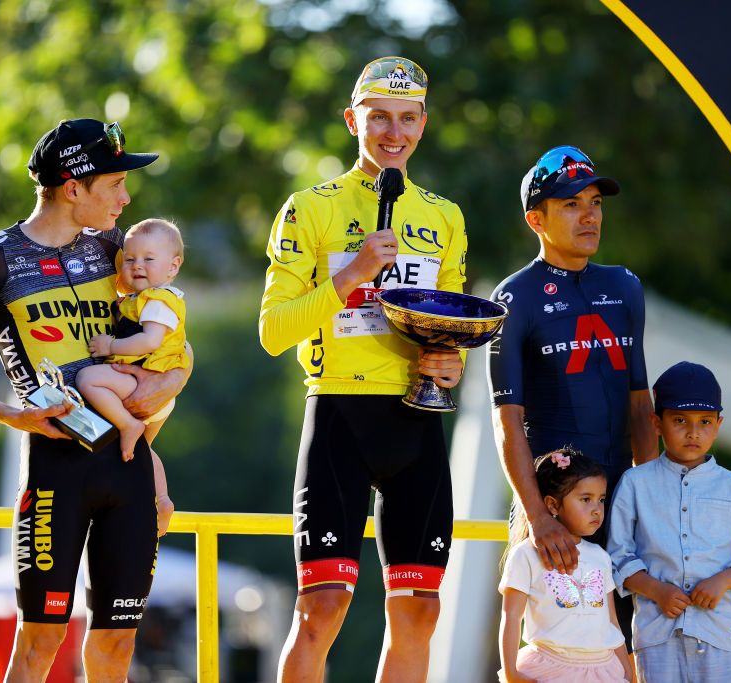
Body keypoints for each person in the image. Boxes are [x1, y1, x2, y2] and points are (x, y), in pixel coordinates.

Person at [0, 119, 190, 682]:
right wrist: (10, 414)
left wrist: (170, 381)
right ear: (74, 188)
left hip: (127, 465)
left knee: (116, 646)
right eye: (114, 184)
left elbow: (172, 339)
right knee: (40, 641)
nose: (126, 197)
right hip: (54, 469)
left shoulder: (120, 250)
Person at [259, 56, 467, 683]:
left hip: (416, 420)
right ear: (353, 121)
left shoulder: (445, 217)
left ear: (423, 126)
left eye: (406, 119)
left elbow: (450, 329)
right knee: (323, 607)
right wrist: (348, 277)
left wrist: (448, 361)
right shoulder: (309, 207)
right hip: (340, 417)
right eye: (379, 118)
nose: (392, 133)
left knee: (421, 611)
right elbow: (272, 333)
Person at [487, 145, 657, 574]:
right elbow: (506, 420)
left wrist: (654, 501)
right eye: (571, 204)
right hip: (551, 510)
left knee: (627, 638)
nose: (590, 216)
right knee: (555, 640)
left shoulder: (625, 286)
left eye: (595, 203)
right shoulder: (513, 297)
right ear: (536, 220)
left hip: (620, 504)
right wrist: (539, 518)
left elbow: (640, 403)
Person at [606, 361, 731, 682]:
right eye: (680, 420)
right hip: (656, 634)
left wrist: (724, 580)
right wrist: (655, 589)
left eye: (705, 421)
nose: (693, 431)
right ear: (657, 423)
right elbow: (616, 555)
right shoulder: (635, 483)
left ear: (718, 424)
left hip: (722, 632)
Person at [77, 217, 189, 536]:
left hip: (145, 382)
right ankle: (162, 499)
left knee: (88, 380)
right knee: (141, 450)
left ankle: (127, 424)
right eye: (130, 259)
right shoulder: (139, 301)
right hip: (153, 390)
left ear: (173, 266)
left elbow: (150, 341)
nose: (137, 266)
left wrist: (110, 344)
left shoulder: (158, 300)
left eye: (148, 260)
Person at [499, 447, 631, 683]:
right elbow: (510, 618)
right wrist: (510, 673)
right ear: (552, 505)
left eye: (601, 499)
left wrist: (628, 674)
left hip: (603, 670)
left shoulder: (600, 557)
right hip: (550, 668)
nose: (596, 509)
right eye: (585, 499)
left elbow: (611, 622)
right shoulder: (526, 555)